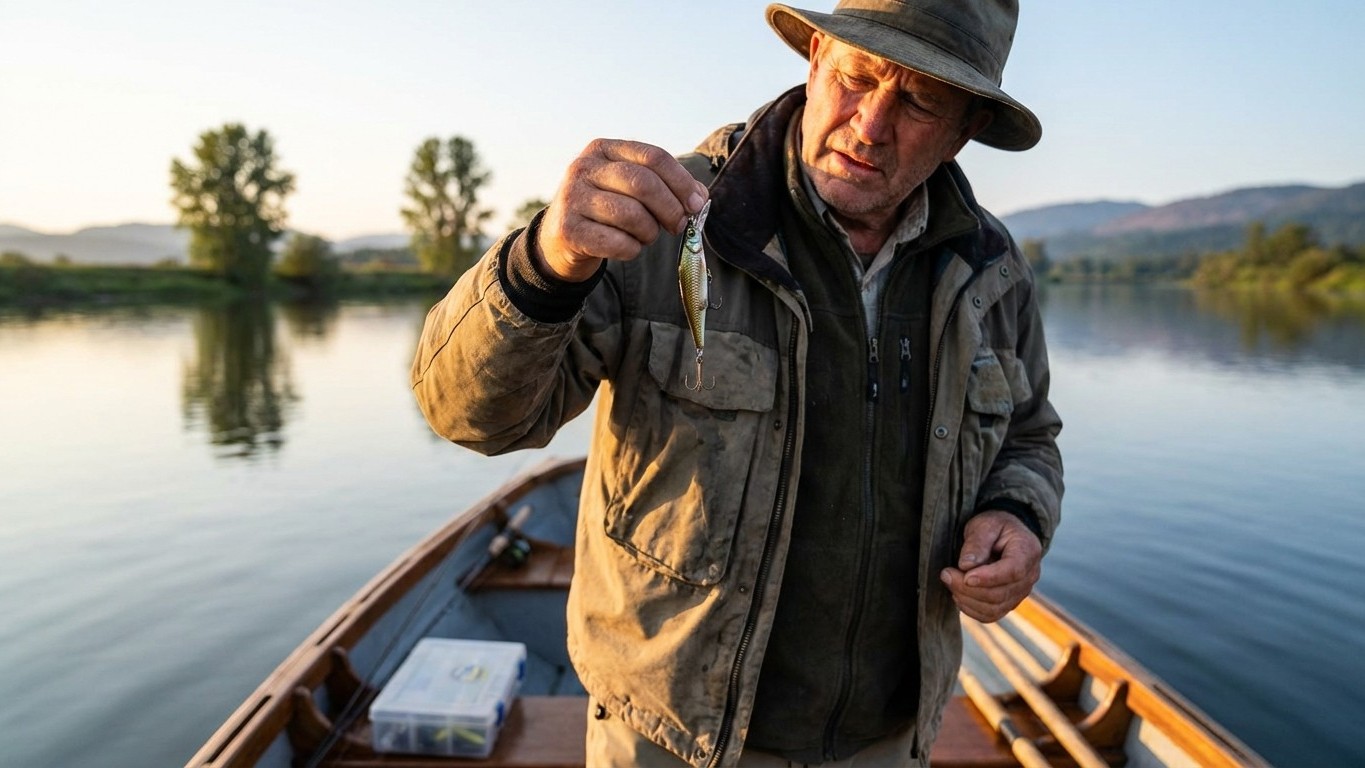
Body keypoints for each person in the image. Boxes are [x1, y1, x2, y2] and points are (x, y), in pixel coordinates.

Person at [411, 1, 1063, 765]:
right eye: (857, 78)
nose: (870, 126)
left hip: (884, 740)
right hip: (667, 736)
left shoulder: (990, 271)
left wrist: (1017, 514)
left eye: (918, 102)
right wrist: (542, 262)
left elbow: (1028, 436)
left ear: (965, 129)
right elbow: (472, 418)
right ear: (815, 58)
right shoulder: (662, 220)